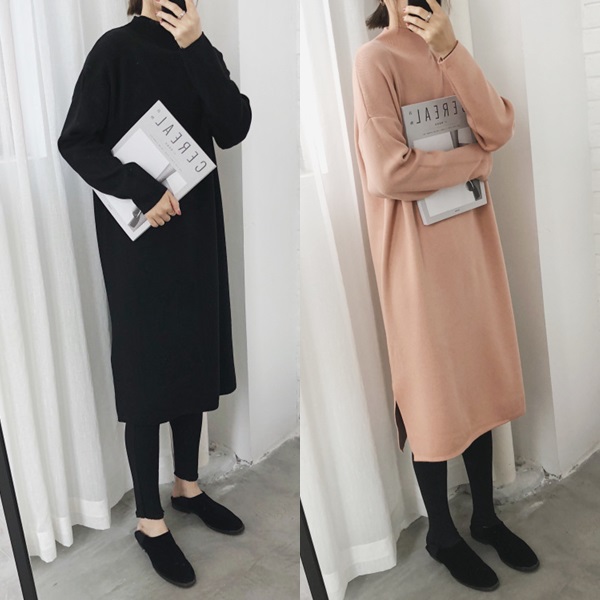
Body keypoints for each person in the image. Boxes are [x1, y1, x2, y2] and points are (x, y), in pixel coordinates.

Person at [57, 0, 251, 588]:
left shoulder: (198, 47)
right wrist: (139, 188)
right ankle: (148, 520)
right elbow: (76, 141)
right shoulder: (114, 50)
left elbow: (233, 128)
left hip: (196, 234)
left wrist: (197, 48)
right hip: (139, 240)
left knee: (192, 355)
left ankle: (188, 488)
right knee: (145, 372)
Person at [352, 0, 539, 592]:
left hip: (472, 244)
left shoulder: (451, 50)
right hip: (415, 255)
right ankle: (441, 533)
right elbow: (388, 171)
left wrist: (449, 50)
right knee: (432, 390)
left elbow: (499, 128)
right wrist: (473, 161)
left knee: (476, 378)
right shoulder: (373, 61)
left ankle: (484, 517)